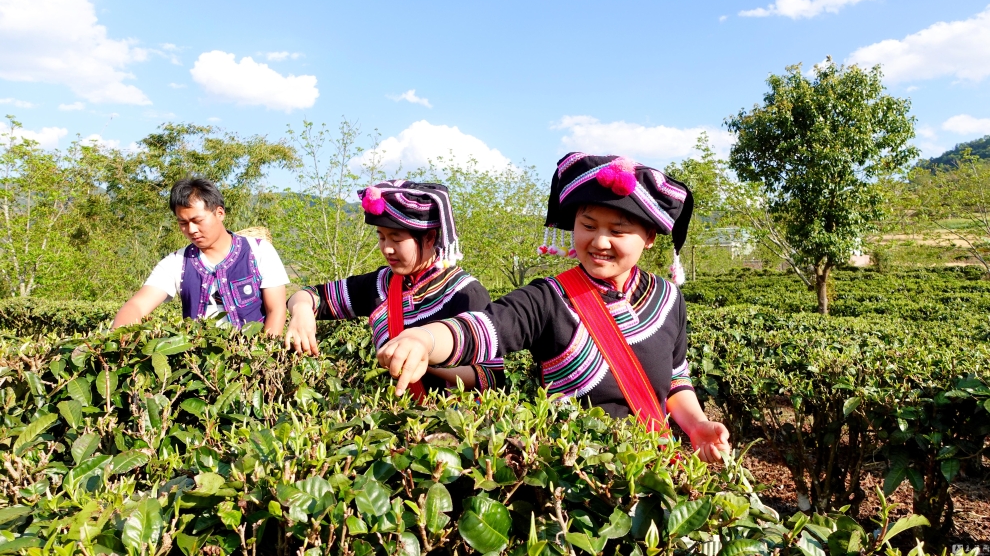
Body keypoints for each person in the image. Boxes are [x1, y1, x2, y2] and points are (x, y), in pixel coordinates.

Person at [377, 154, 730, 462]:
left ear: (650, 238)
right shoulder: (549, 299)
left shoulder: (668, 298)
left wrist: (696, 425)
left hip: (652, 473)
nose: (599, 241)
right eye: (588, 226)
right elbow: (485, 327)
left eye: (618, 231)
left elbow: (676, 377)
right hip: (575, 484)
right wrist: (424, 339)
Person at [284, 180, 503, 395]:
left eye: (396, 239)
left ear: (429, 238)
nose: (386, 249)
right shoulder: (380, 284)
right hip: (391, 416)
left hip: (449, 421)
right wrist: (302, 310)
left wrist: (423, 358)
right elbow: (313, 296)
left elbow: (490, 375)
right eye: (381, 237)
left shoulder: (464, 292)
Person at [112, 177, 289, 335]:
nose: (191, 230)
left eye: (198, 221)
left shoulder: (259, 251)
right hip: (198, 363)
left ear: (220, 213)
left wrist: (262, 358)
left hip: (251, 358)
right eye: (183, 223)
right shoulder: (176, 263)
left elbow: (276, 310)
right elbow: (137, 305)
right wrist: (119, 335)